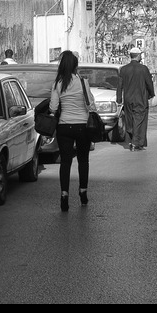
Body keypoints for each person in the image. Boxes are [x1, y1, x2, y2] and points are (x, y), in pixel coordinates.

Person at [49, 50, 97, 212]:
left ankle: (64, 196)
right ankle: (83, 192)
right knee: (83, 160)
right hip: (83, 126)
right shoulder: (83, 82)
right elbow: (90, 103)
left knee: (65, 162)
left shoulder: (58, 83)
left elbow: (53, 107)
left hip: (64, 126)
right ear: (76, 66)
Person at [116, 47, 155, 152]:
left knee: (130, 120)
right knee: (139, 120)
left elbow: (119, 86)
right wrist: (151, 94)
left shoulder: (123, 69)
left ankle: (133, 141)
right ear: (138, 56)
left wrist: (119, 99)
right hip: (140, 98)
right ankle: (135, 143)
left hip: (128, 99)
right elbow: (149, 84)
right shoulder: (143, 69)